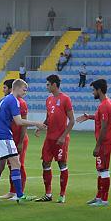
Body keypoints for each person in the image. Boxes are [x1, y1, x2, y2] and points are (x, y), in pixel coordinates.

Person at [0, 79, 45, 203]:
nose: (25, 93)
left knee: (0, 166)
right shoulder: (13, 100)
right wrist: (36, 123)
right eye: (24, 90)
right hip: (5, 136)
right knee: (16, 164)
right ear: (17, 87)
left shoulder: (2, 100)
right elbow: (18, 121)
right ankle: (20, 195)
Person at [76, 78, 111, 207]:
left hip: (104, 143)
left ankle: (104, 200)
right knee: (100, 169)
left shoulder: (104, 105)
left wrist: (97, 146)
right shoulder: (108, 103)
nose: (92, 92)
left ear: (99, 90)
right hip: (106, 141)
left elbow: (104, 127)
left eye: (93, 90)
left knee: (104, 170)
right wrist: (89, 117)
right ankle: (99, 197)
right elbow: (103, 119)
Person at [36, 74, 75, 203]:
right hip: (49, 139)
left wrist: (63, 136)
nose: (46, 87)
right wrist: (41, 126)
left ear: (54, 85)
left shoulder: (65, 99)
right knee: (45, 163)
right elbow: (48, 118)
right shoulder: (48, 99)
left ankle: (62, 195)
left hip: (60, 139)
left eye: (48, 84)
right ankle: (48, 194)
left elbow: (72, 120)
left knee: (62, 164)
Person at [0, 79, 30, 200]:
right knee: (11, 165)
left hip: (19, 139)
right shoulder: (7, 101)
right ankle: (12, 191)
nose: (3, 90)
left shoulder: (21, 103)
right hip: (10, 138)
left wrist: (21, 142)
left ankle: (19, 192)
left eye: (4, 88)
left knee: (19, 165)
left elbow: (23, 124)